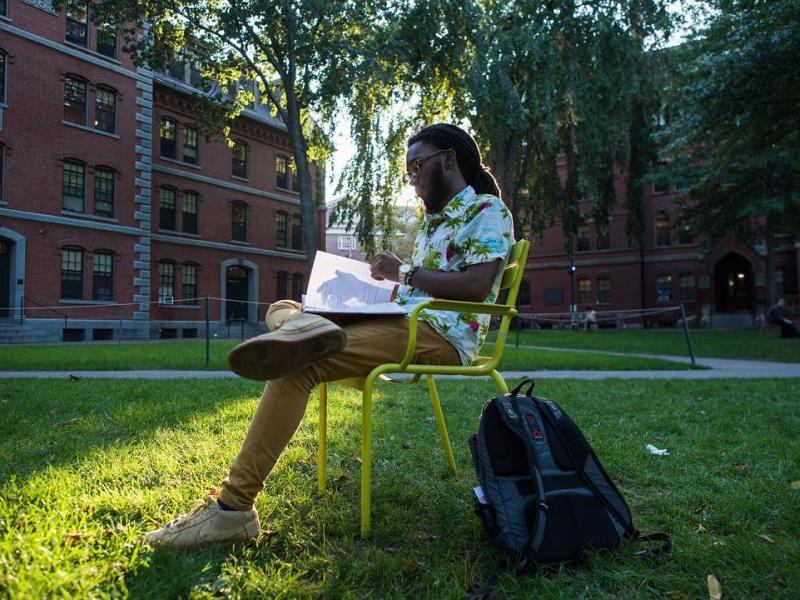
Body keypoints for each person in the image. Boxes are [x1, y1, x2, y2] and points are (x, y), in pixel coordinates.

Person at [144, 123, 515, 548]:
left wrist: (404, 273)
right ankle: (310, 326)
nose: (411, 179)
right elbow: (416, 287)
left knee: (296, 362)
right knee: (281, 309)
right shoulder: (433, 223)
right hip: (402, 319)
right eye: (408, 171)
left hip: (439, 334)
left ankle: (233, 511)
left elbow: (475, 285)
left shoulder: (486, 210)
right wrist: (376, 291)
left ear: (448, 159)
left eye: (416, 167)